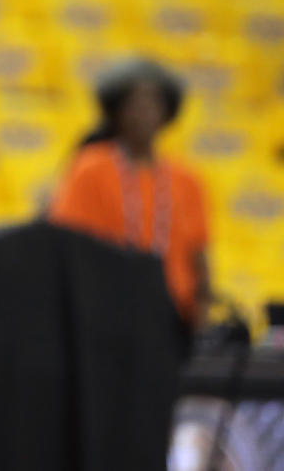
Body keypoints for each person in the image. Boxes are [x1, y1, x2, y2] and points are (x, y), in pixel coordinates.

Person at [48, 58, 212, 331]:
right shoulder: (90, 168)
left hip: (171, 316)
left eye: (153, 103)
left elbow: (199, 254)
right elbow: (66, 243)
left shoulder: (187, 179)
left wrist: (202, 314)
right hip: (103, 312)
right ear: (116, 111)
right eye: (134, 104)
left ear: (168, 112)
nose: (144, 112)